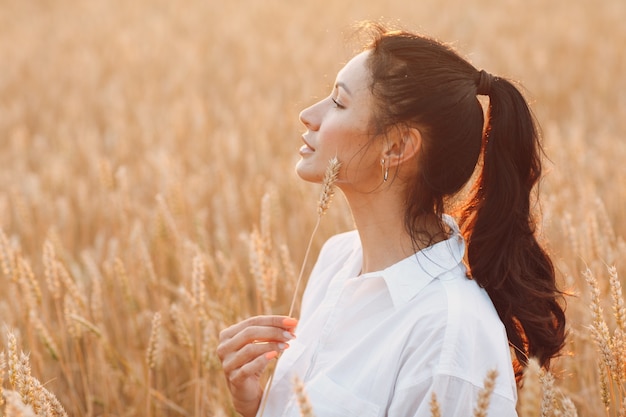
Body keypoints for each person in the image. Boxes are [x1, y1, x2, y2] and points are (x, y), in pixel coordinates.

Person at [217, 22, 566, 417]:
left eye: (338, 103)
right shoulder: (337, 260)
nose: (307, 115)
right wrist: (253, 405)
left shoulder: (451, 337)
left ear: (398, 146)